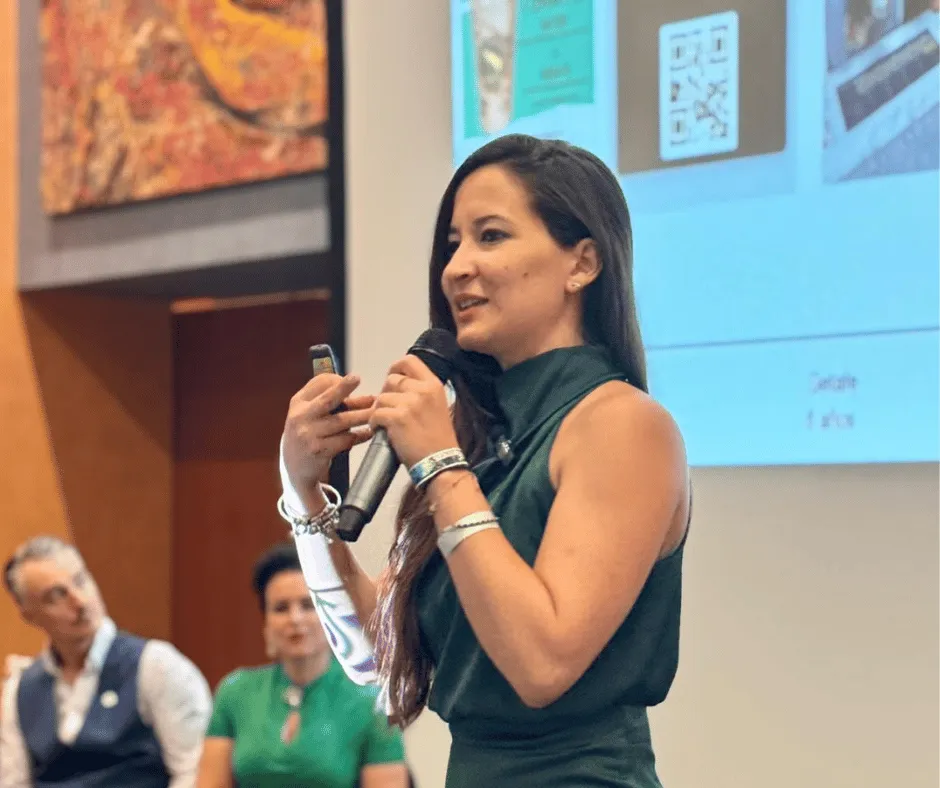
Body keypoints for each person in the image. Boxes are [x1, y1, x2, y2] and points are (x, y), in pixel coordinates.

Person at [280, 134, 691, 787]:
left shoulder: (623, 425)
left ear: (582, 263)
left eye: (490, 236)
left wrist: (440, 464)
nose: (456, 268)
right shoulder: (481, 444)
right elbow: (373, 660)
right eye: (452, 245)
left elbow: (542, 666)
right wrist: (303, 491)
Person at [0, 536, 212, 788]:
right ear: (29, 615)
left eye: (81, 580)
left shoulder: (156, 666)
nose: (80, 601)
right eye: (57, 595)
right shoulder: (19, 690)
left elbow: (195, 772)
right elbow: (13, 782)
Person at [195, 542, 408, 788]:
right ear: (266, 623)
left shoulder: (371, 702)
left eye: (308, 605)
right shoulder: (235, 692)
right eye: (281, 608)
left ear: (332, 615)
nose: (295, 619)